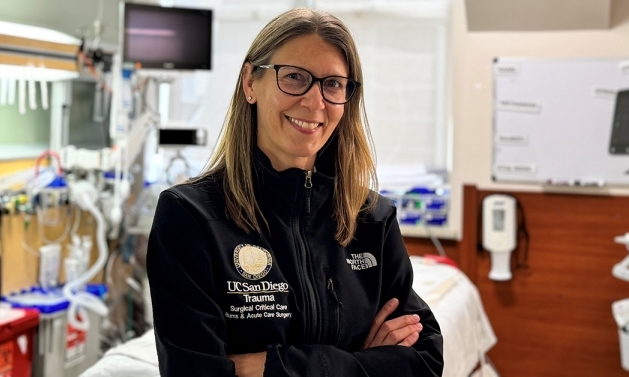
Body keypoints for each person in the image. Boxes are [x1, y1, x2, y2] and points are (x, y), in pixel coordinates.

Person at [147, 7, 444, 377]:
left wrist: (271, 366)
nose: (315, 102)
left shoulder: (372, 218)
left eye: (333, 84)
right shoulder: (190, 217)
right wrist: (368, 363)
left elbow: (427, 361)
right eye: (294, 77)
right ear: (250, 83)